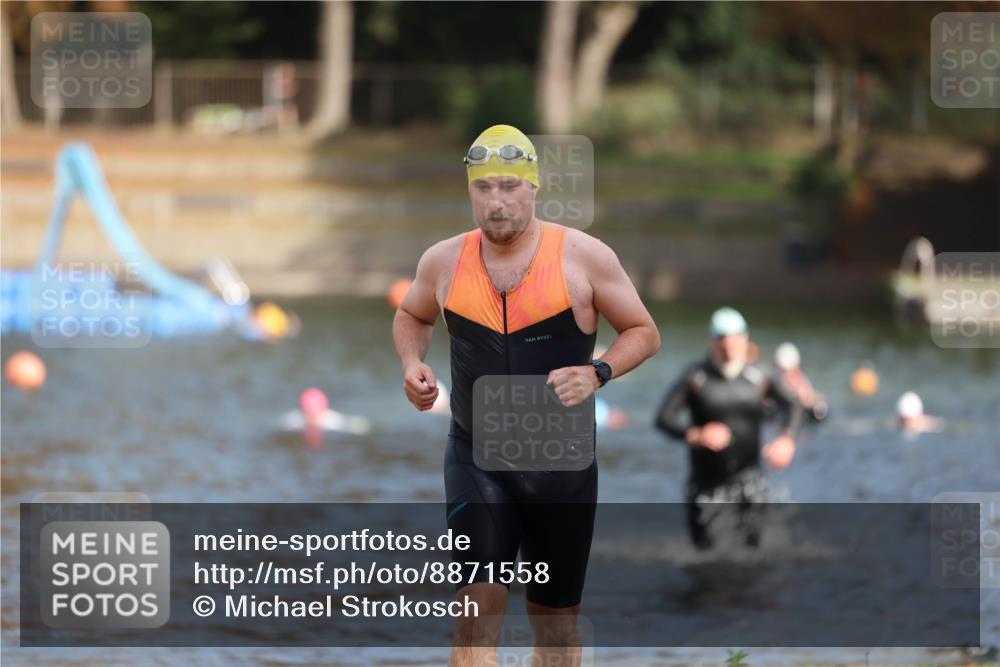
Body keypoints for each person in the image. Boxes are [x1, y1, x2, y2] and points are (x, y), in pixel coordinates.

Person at [392, 124, 660, 667]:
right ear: (469, 191)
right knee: (473, 627)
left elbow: (644, 332)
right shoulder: (442, 261)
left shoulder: (584, 257)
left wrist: (599, 372)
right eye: (484, 188)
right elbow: (412, 314)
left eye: (510, 186)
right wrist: (412, 363)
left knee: (557, 636)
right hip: (476, 459)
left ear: (535, 188)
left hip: (560, 466)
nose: (497, 202)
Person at [654, 307, 802, 550]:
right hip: (706, 484)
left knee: (755, 554)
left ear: (745, 339)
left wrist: (788, 439)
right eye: (722, 338)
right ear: (712, 341)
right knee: (707, 558)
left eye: (735, 338)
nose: (729, 345)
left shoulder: (760, 375)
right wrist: (696, 434)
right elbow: (663, 419)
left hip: (749, 478)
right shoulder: (695, 377)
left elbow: (794, 405)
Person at [774, 342, 828, 422]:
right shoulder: (775, 387)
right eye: (785, 372)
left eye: (793, 373)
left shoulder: (804, 386)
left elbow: (820, 410)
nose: (789, 378)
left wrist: (808, 400)